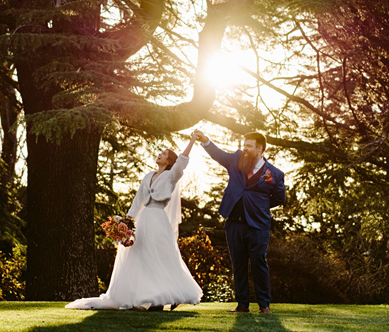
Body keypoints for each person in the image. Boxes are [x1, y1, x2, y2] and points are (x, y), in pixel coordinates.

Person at [66, 133, 203, 311]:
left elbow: (182, 161)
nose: (159, 154)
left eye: (164, 153)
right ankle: (141, 297)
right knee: (140, 255)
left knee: (158, 256)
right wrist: (127, 222)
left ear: (169, 161)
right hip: (143, 219)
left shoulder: (171, 176)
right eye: (160, 152)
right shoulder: (148, 176)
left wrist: (192, 141)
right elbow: (138, 200)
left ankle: (163, 298)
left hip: (158, 219)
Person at [192, 129, 285, 314]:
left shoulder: (275, 173)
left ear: (260, 148)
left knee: (258, 262)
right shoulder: (235, 160)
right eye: (244, 145)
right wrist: (205, 140)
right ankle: (242, 305)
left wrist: (258, 205)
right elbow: (218, 155)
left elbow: (279, 199)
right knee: (238, 264)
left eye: (249, 146)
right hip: (234, 224)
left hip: (258, 226)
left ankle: (264, 305)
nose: (245, 149)